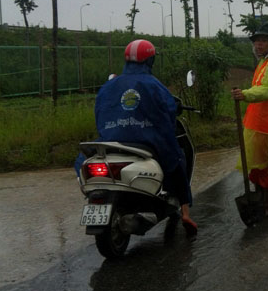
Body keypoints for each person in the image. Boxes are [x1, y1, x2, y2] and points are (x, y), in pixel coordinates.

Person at [75, 39, 197, 235]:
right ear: (150, 61)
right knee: (177, 158)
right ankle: (185, 213)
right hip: (146, 141)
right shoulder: (153, 85)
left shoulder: (109, 86)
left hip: (112, 142)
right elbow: (167, 111)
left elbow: (99, 113)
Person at [231, 22, 268, 218]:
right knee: (256, 166)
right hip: (255, 125)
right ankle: (260, 200)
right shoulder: (263, 63)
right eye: (257, 41)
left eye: (263, 41)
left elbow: (267, 90)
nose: (259, 45)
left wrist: (244, 94)